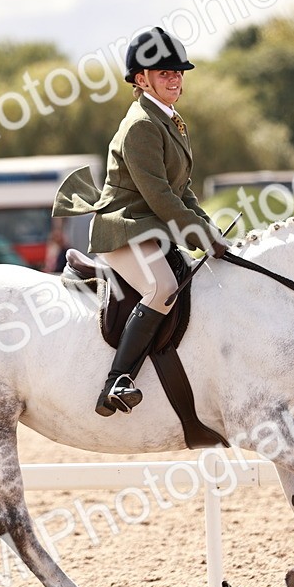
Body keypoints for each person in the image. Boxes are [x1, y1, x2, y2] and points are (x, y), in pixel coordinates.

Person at [53, 26, 227, 417]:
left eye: (178, 72)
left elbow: (182, 190)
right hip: (124, 228)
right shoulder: (142, 125)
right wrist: (200, 236)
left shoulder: (171, 120)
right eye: (165, 73)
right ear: (141, 79)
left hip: (151, 228)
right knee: (162, 286)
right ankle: (116, 381)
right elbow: (160, 197)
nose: (175, 79)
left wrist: (209, 229)